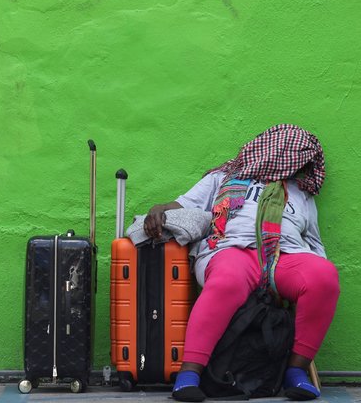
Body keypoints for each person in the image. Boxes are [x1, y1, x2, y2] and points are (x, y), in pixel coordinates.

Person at [143, 124, 340, 402]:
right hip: (233, 249)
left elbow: (313, 241)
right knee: (227, 280)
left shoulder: (301, 192)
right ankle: (189, 375)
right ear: (275, 151)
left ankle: (295, 373)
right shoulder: (223, 178)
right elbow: (184, 204)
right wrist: (159, 209)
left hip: (286, 256)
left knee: (324, 277)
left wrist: (320, 272)